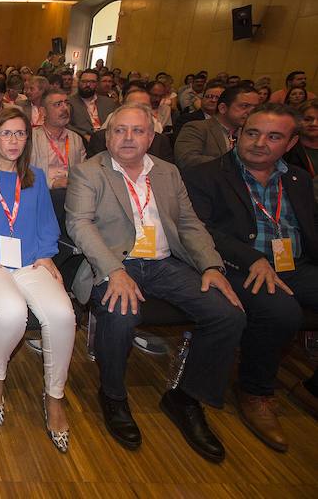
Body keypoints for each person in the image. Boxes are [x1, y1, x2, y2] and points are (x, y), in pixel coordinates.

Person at [65, 102, 246, 463]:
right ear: (107, 135)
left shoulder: (168, 173)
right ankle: (113, 395)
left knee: (228, 313)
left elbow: (191, 224)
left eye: (137, 131)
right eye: (119, 130)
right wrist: (114, 271)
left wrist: (210, 266)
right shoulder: (89, 172)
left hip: (166, 264)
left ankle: (185, 396)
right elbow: (80, 226)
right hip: (116, 262)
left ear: (152, 136)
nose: (128, 138)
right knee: (120, 313)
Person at [183, 103, 318, 453]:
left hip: (295, 264)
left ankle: (312, 387)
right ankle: (256, 390)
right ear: (238, 134)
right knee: (281, 311)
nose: (260, 143)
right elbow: (200, 229)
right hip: (237, 264)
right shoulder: (206, 175)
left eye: (274, 137)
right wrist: (253, 258)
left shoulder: (298, 178)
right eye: (252, 133)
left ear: (290, 144)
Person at [0, 107, 75, 450]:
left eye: (20, 133)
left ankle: (54, 396)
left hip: (28, 262)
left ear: (28, 138)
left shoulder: (34, 177)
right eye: (6, 133)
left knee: (63, 314)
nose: (13, 141)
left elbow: (48, 225)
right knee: (11, 310)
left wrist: (46, 254)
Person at [175, 86, 258, 170]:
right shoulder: (197, 128)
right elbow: (187, 160)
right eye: (245, 106)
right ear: (223, 108)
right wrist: (235, 163)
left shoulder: (253, 134)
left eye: (255, 108)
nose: (251, 112)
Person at [87, 90, 174, 163]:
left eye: (145, 107)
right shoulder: (101, 138)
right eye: (133, 106)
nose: (139, 111)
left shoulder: (161, 141)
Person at [30, 88, 86, 188]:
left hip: (71, 191)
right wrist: (52, 184)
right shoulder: (31, 138)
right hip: (43, 191)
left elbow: (83, 171)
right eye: (58, 104)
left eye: (67, 103)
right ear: (43, 111)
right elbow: (25, 173)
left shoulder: (76, 138)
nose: (65, 108)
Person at [68, 69, 116, 142]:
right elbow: (65, 124)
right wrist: (84, 135)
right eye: (84, 81)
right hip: (81, 140)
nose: (87, 85)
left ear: (97, 84)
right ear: (78, 83)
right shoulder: (69, 102)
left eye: (92, 82)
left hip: (107, 139)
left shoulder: (108, 102)